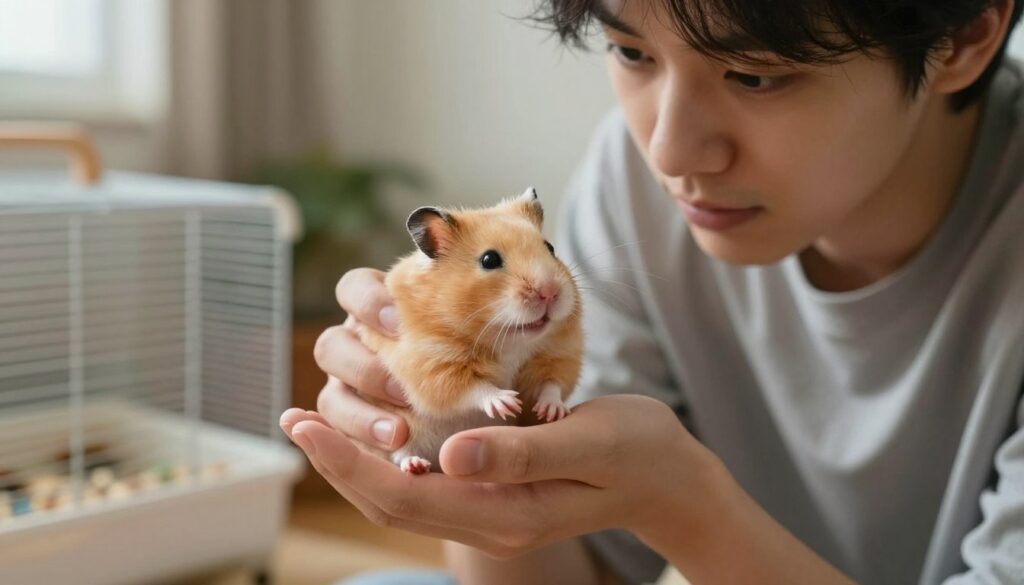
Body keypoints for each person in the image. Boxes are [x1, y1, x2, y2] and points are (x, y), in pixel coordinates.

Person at [278, 0, 1024, 582]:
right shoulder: (637, 182)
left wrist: (682, 502)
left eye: (755, 75)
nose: (666, 149)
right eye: (632, 52)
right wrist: (466, 445)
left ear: (961, 37)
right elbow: (579, 573)